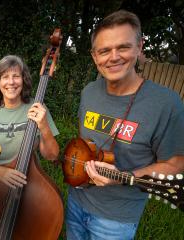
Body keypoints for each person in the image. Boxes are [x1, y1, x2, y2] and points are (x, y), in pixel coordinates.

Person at [66, 10, 184, 240]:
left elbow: (176, 165)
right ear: (94, 56)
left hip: (115, 219)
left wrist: (125, 175)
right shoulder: (89, 92)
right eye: (104, 51)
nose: (113, 57)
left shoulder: (166, 104)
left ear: (140, 47)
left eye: (123, 47)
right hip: (75, 201)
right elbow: (84, 142)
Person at [0, 55, 59, 188]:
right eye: (5, 77)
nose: (11, 82)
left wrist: (44, 126)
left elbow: (52, 155)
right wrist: (0, 172)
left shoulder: (37, 108)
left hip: (27, 179)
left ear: (24, 80)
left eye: (16, 76)